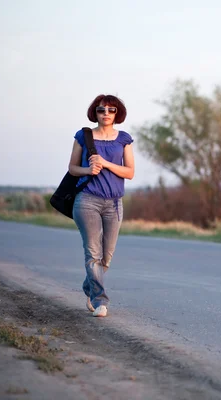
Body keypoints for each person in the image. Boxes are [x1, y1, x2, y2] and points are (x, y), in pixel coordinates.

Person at [68, 94, 135, 317]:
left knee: (107, 256)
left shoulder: (123, 139)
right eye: (101, 109)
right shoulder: (84, 136)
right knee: (93, 253)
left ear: (117, 114)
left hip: (114, 203)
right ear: (94, 113)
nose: (106, 113)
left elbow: (130, 172)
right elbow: (72, 169)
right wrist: (88, 170)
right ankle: (100, 301)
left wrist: (105, 163)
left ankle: (89, 286)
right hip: (87, 200)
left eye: (111, 110)